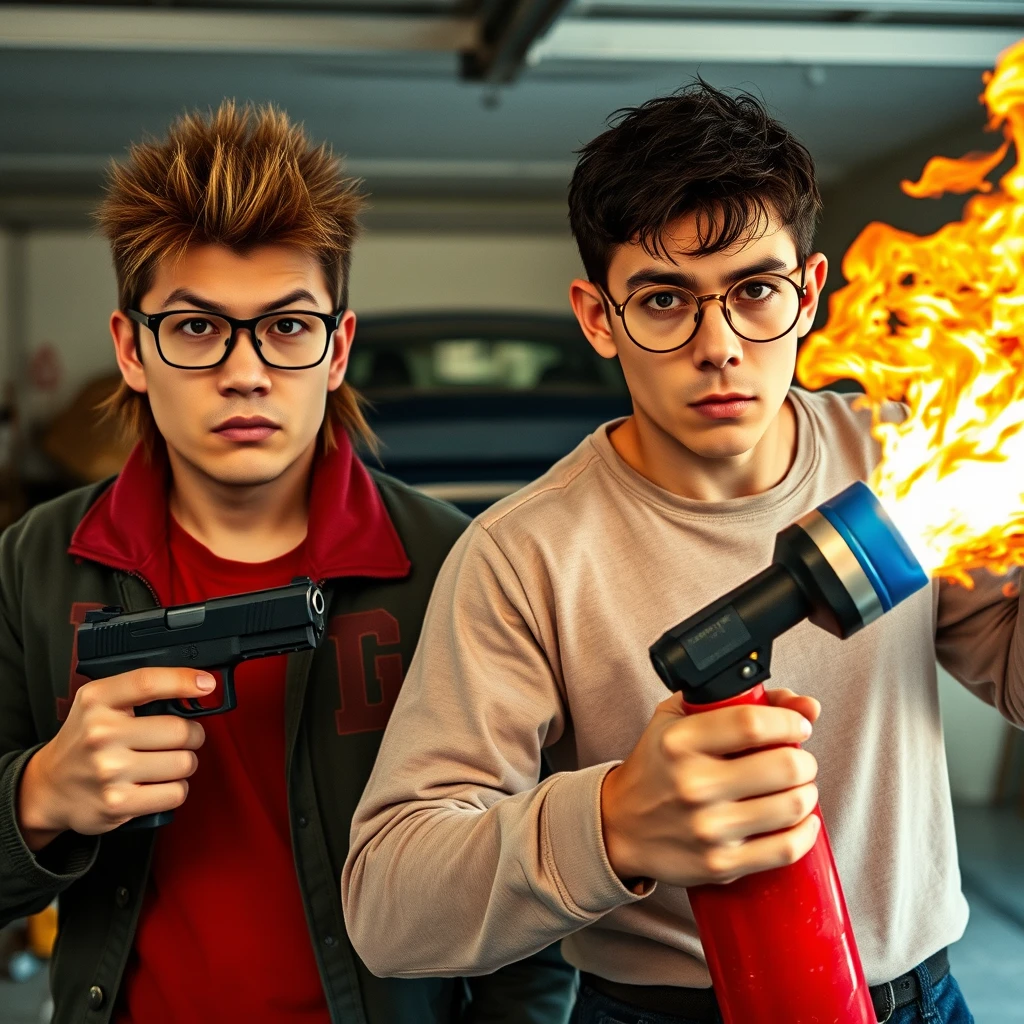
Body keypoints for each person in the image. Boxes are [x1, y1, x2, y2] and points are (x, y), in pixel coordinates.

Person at [343, 83, 1020, 1024]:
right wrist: (614, 822)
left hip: (918, 1000)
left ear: (809, 293)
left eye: (755, 291)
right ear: (596, 316)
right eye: (665, 300)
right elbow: (387, 908)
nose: (719, 346)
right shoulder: (523, 555)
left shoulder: (907, 466)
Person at [0, 101, 575, 1024]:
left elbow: (526, 900)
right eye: (194, 329)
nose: (245, 372)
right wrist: (39, 796)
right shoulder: (39, 562)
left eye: (287, 327)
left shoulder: (454, 565)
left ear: (337, 348)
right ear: (130, 351)